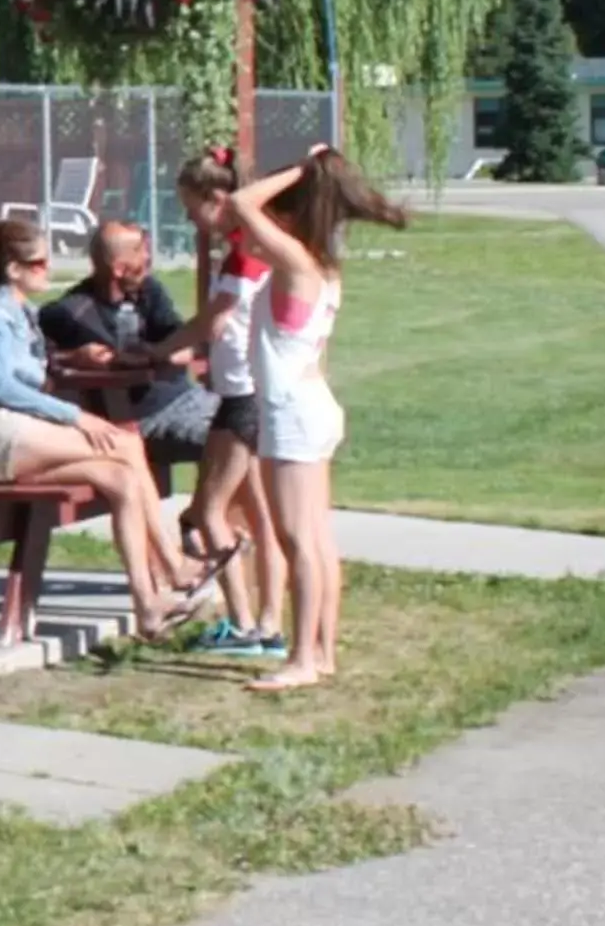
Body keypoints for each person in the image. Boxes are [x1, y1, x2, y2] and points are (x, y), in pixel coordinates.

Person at [0, 218, 214, 641]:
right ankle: (173, 565)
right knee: (126, 444)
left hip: (21, 435)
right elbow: (1, 385)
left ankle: (148, 605)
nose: (47, 268)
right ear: (13, 269)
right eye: (37, 262)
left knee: (123, 479)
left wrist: (76, 356)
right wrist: (77, 417)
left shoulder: (23, 311)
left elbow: (35, 369)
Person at [227, 146, 411, 693]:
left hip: (292, 414)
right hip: (311, 405)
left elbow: (240, 204)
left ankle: (303, 658)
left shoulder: (299, 265)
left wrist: (301, 172)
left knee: (296, 540)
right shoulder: (322, 267)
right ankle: (322, 652)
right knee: (317, 537)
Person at [154, 155, 287, 661]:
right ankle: (269, 627)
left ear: (217, 201)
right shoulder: (253, 246)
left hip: (241, 399)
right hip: (249, 393)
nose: (192, 222)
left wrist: (154, 351)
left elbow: (213, 322)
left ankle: (244, 624)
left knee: (209, 513)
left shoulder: (241, 255)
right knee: (256, 513)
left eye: (192, 211)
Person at [37, 220, 219, 460]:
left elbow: (184, 344)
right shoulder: (70, 313)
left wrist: (152, 353)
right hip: (146, 417)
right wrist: (75, 357)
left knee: (257, 423)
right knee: (236, 439)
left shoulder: (149, 292)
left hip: (189, 398)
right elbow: (31, 358)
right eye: (143, 257)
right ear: (119, 269)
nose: (148, 262)